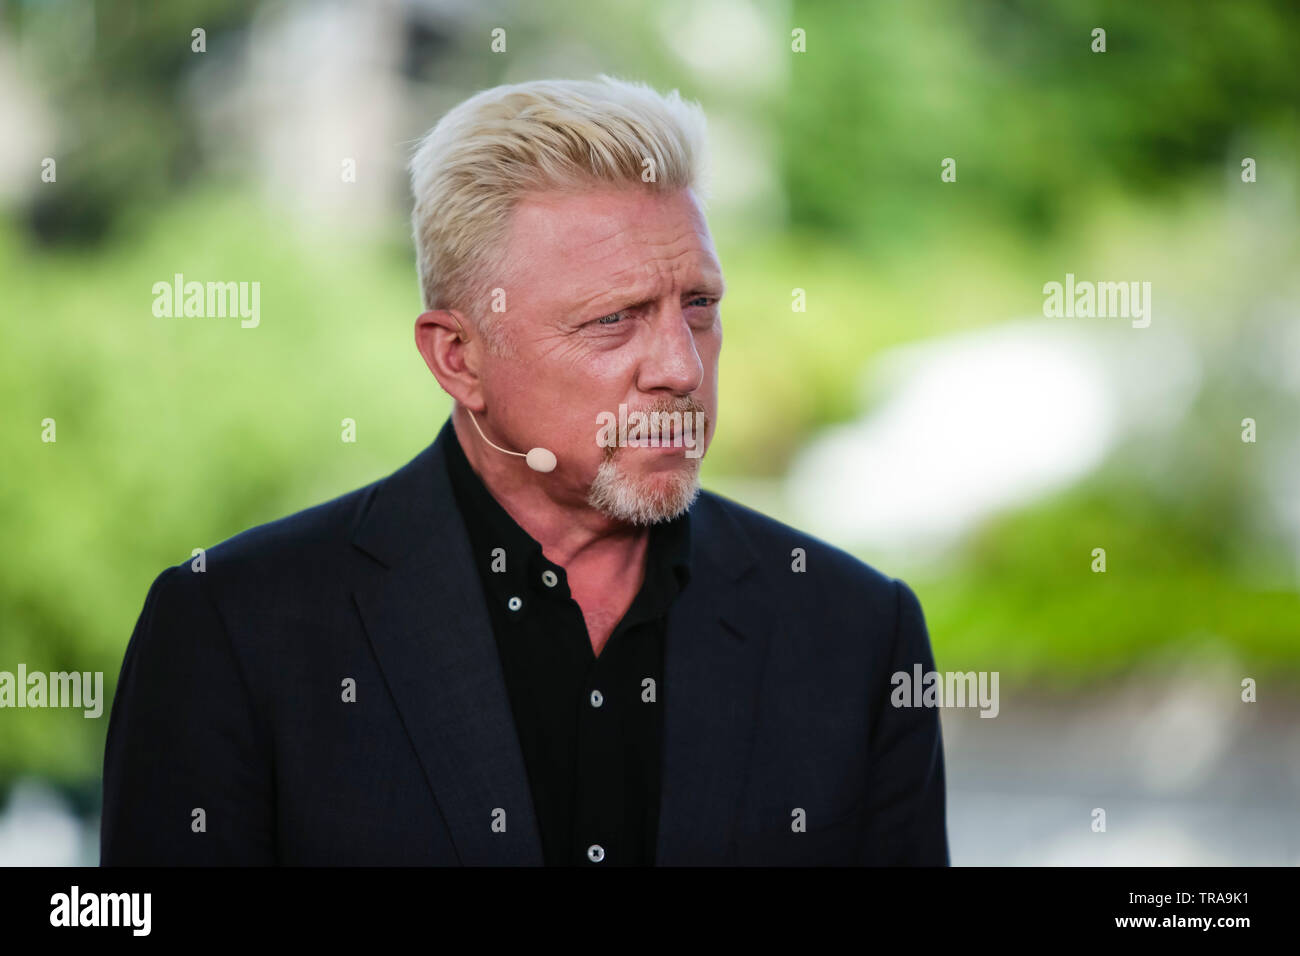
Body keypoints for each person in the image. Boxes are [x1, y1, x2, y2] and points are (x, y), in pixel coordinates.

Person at [101, 75, 948, 866]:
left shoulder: (857, 633)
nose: (681, 368)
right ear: (459, 358)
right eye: (614, 319)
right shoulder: (235, 630)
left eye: (699, 306)